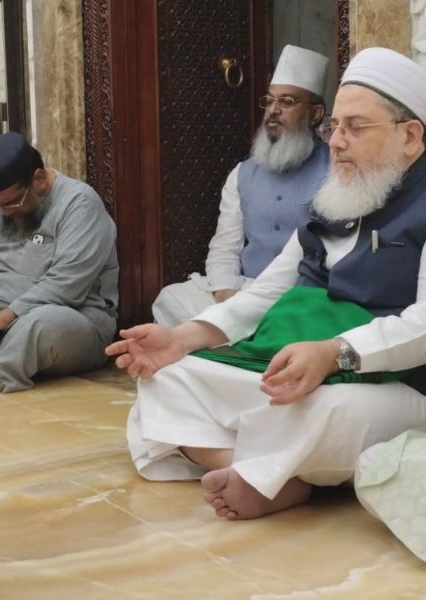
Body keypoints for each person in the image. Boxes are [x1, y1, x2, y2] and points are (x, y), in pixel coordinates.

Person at [110, 47, 426, 521]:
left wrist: (333, 353)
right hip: (306, 364)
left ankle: (259, 467)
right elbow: (268, 289)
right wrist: (182, 338)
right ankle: (274, 477)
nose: (337, 141)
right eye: (334, 127)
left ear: (410, 136)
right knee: (170, 377)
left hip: (395, 383)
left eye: (355, 127)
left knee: (326, 410)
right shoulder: (335, 198)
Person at [152, 45, 330, 325]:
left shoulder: (336, 171)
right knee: (169, 299)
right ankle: (241, 338)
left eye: (287, 101)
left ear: (316, 114)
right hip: (244, 291)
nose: (273, 111)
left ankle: (232, 341)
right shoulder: (242, 173)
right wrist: (227, 298)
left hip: (302, 297)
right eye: (269, 101)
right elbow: (225, 247)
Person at [0, 132, 119, 393]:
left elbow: (65, 287)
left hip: (68, 319)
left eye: (11, 203)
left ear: (39, 179)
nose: (4, 212)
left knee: (39, 327)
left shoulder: (79, 204)